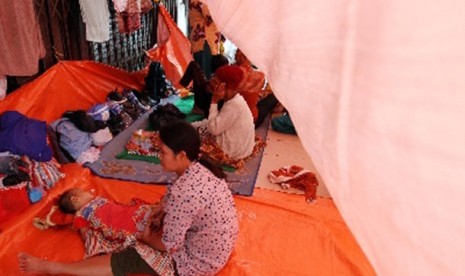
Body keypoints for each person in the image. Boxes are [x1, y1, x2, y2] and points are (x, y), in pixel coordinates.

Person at [18, 121, 239, 276]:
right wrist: (158, 213)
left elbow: (166, 246)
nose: (158, 156)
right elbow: (171, 203)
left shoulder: (186, 193)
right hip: (215, 247)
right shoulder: (199, 166)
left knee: (131, 255)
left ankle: (53, 268)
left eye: (162, 152)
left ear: (181, 155)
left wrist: (143, 238)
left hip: (199, 262)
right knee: (145, 215)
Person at [192, 65, 255, 160]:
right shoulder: (234, 100)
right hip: (240, 148)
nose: (212, 83)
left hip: (231, 152)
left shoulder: (234, 105)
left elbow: (213, 129)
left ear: (225, 86)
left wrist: (214, 101)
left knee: (191, 138)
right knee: (199, 127)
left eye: (216, 82)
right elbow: (218, 121)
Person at [234, 49, 278, 128]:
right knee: (273, 97)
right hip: (250, 121)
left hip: (233, 118)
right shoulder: (259, 75)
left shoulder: (230, 71)